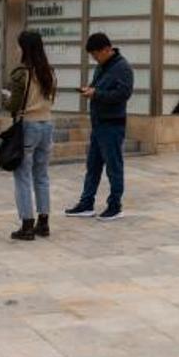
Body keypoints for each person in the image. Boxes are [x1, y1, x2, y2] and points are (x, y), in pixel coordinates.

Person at [64, 32, 134, 221]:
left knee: (114, 166)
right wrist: (90, 90)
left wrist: (97, 94)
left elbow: (123, 95)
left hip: (112, 125)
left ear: (106, 49)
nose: (94, 59)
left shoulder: (122, 68)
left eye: (96, 55)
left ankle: (115, 205)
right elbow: (99, 88)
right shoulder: (101, 67)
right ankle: (86, 204)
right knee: (93, 166)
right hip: (98, 124)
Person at [2, 30, 57, 241]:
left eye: (18, 45)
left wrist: (5, 98)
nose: (16, 49)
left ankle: (26, 224)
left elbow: (13, 104)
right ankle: (43, 223)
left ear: (25, 48)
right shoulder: (49, 72)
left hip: (28, 126)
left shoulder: (21, 74)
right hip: (47, 124)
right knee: (41, 176)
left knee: (23, 176)